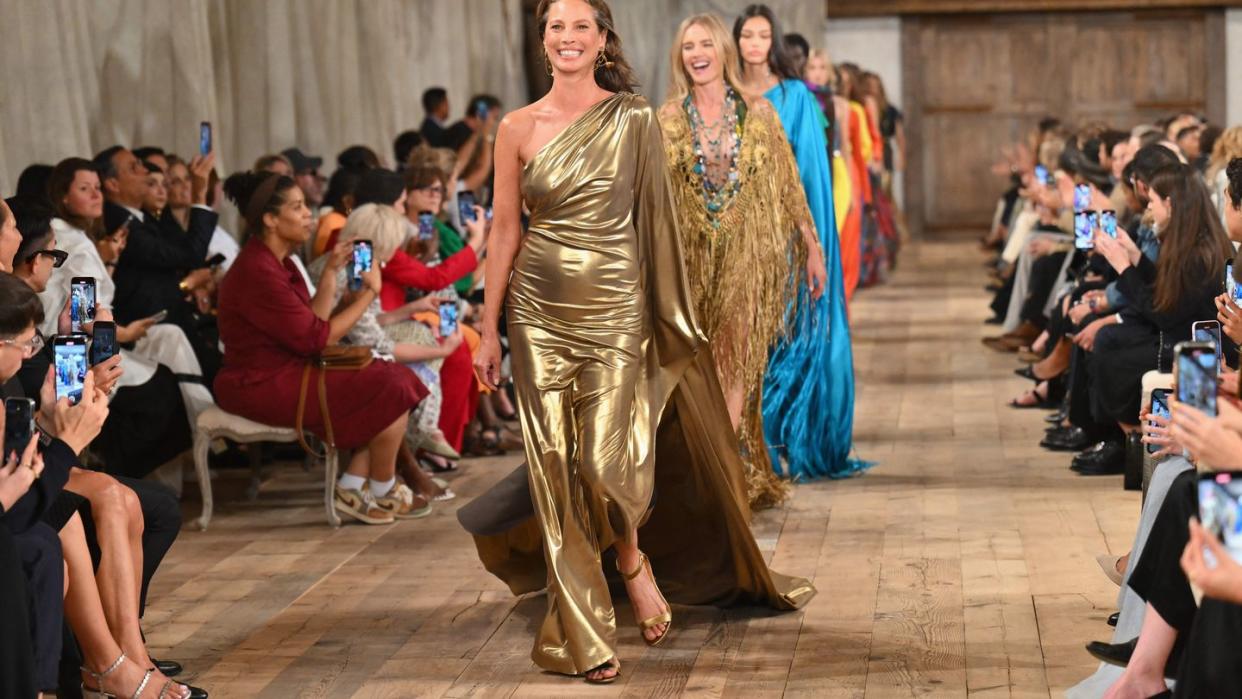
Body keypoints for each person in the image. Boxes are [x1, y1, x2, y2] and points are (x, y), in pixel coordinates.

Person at [467, 0, 814, 684]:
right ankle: (585, 631)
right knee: (557, 468)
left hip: (617, 308)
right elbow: (505, 231)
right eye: (555, 28)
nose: (567, 38)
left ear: (602, 41)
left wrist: (670, 317)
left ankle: (630, 554)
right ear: (543, 43)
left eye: (580, 28)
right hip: (536, 312)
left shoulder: (632, 119)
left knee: (607, 464)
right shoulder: (514, 128)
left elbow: (655, 222)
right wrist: (486, 329)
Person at [659, 14, 825, 507]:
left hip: (746, 256)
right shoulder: (666, 119)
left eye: (705, 43)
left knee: (735, 362)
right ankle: (697, 466)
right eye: (688, 45)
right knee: (696, 363)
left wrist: (812, 249)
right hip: (688, 260)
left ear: (723, 51)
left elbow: (789, 187)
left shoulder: (759, 113)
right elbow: (650, 195)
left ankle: (721, 474)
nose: (696, 53)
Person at [215, 171, 427, 524]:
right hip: (258, 383)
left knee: (391, 376)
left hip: (287, 370)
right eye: (297, 207)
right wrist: (370, 293)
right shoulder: (257, 269)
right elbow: (316, 338)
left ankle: (360, 484)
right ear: (270, 219)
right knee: (391, 381)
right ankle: (379, 486)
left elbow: (311, 322)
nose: (308, 214)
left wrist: (329, 275)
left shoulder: (277, 260)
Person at [734, 4, 865, 480]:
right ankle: (750, 448)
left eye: (762, 35)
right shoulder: (725, 96)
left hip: (788, 234)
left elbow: (811, 175)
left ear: (774, 42)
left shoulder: (796, 97)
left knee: (793, 336)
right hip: (737, 236)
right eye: (746, 35)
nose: (754, 44)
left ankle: (788, 439)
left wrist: (813, 245)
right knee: (749, 343)